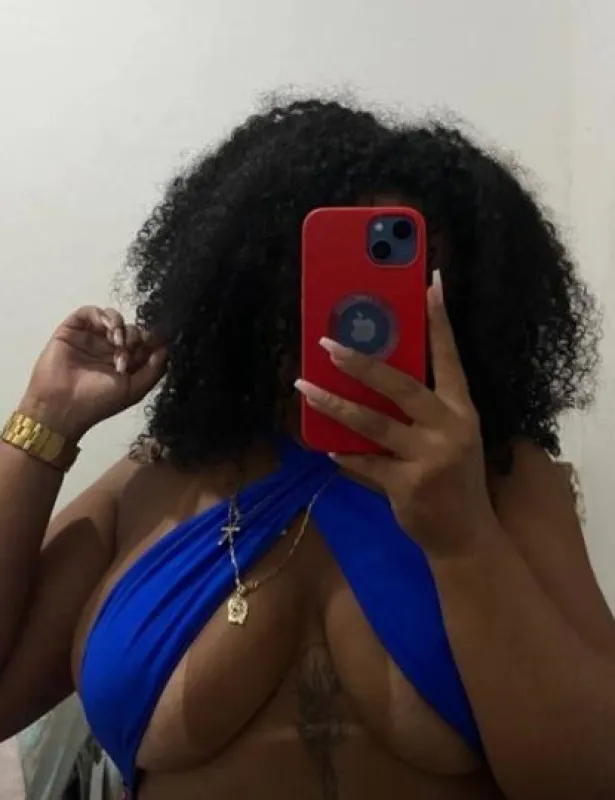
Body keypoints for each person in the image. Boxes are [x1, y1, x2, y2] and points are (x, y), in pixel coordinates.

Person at [0, 97, 614, 800]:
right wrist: (45, 418)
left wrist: (464, 539)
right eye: (318, 269)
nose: (359, 312)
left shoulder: (507, 481)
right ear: (244, 278)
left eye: (408, 278)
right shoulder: (157, 479)